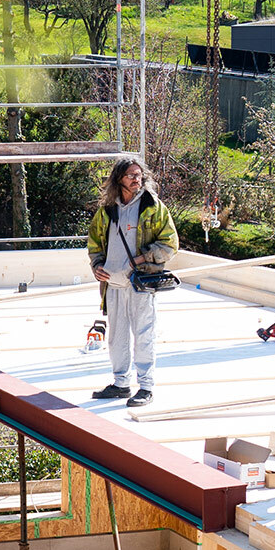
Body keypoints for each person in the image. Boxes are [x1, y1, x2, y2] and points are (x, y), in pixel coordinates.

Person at [86, 154, 179, 409]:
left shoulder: (152, 206)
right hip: (113, 284)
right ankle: (121, 384)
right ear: (119, 179)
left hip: (141, 283)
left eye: (139, 175)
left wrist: (143, 258)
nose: (137, 179)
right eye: (131, 175)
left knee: (144, 334)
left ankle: (146, 387)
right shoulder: (107, 210)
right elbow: (94, 243)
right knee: (116, 338)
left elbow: (170, 244)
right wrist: (97, 265)